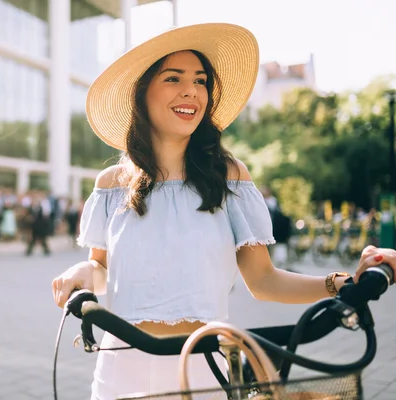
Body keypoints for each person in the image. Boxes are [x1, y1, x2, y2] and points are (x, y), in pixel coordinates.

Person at [49, 23, 396, 400]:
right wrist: (80, 271)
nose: (191, 90)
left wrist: (340, 283)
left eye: (200, 81)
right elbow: (101, 271)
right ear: (142, 93)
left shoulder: (229, 177)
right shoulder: (110, 184)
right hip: (119, 367)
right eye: (173, 78)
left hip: (203, 367)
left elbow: (263, 280)